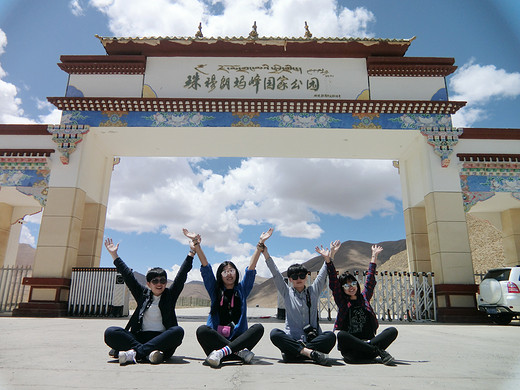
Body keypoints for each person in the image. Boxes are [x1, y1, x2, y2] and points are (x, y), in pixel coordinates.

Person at [184, 228, 269, 368]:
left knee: (258, 328)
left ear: (236, 273)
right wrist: (196, 244)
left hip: (234, 341)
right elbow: (206, 267)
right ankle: (237, 353)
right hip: (219, 342)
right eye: (225, 272)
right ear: (220, 275)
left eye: (231, 271)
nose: (229, 274)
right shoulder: (214, 290)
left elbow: (251, 269)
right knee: (202, 330)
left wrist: (260, 244)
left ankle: (223, 353)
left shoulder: (242, 289)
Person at [103, 236, 195, 365]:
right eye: (155, 281)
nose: (159, 284)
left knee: (177, 331)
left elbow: (181, 275)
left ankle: (134, 353)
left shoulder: (170, 295)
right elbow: (128, 276)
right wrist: (114, 255)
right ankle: (147, 353)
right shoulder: (142, 294)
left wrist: (192, 252)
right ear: (148, 284)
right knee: (111, 332)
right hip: (139, 338)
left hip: (162, 340)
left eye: (163, 281)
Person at [316, 241, 398, 365]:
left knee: (392, 331)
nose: (351, 287)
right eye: (346, 285)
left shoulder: (364, 297)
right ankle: (378, 351)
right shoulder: (342, 301)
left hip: (368, 342)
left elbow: (370, 279)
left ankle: (371, 349)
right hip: (351, 348)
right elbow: (333, 280)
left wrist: (374, 257)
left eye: (353, 283)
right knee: (342, 335)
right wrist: (328, 259)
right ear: (342, 288)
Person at [263, 235, 336, 366]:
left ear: (306, 277)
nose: (299, 278)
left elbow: (323, 273)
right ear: (290, 279)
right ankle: (310, 354)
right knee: (275, 334)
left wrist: (330, 256)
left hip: (311, 339)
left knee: (330, 337)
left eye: (302, 275)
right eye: (295, 276)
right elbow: (275, 273)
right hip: (292, 339)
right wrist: (266, 254)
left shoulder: (313, 291)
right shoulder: (286, 292)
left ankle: (297, 352)